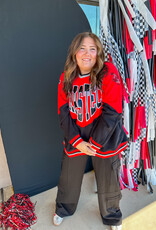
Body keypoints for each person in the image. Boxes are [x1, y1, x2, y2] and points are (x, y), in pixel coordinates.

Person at [53, 32, 128, 230]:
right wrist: (77, 141)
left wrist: (94, 144)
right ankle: (63, 209)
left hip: (105, 137)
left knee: (109, 178)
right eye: (82, 48)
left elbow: (113, 112)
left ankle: (112, 216)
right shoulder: (66, 77)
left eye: (92, 49)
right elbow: (63, 111)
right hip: (77, 136)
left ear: (98, 52)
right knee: (68, 177)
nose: (87, 54)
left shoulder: (108, 72)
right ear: (74, 52)